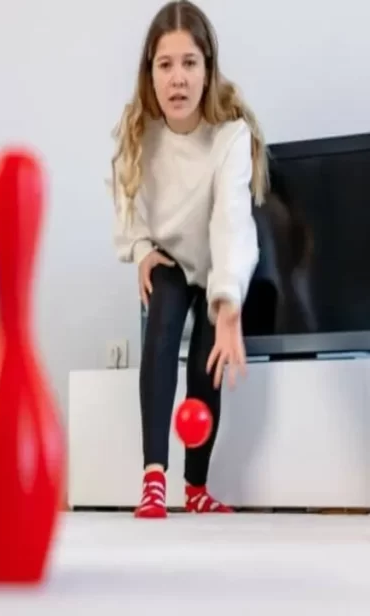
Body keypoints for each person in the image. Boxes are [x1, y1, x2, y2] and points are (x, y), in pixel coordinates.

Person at [110, 0, 268, 519]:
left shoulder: (229, 137)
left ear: (207, 69)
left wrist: (227, 305)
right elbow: (126, 201)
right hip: (172, 262)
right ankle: (153, 478)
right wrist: (139, 252)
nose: (177, 79)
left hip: (217, 267)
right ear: (150, 73)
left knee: (208, 365)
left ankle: (195, 485)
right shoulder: (138, 133)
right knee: (163, 317)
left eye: (189, 64)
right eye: (165, 64)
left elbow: (231, 221)